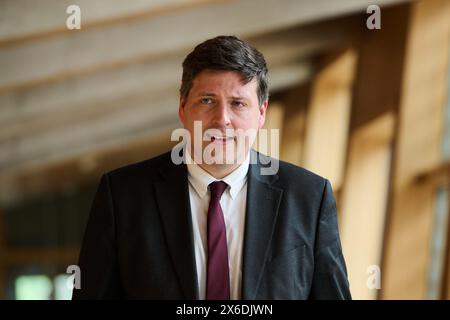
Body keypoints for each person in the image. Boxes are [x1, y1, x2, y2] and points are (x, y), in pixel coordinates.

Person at [72, 35, 351, 300]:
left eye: (238, 103)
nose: (222, 119)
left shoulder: (309, 196)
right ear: (183, 107)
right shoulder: (122, 196)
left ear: (261, 112)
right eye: (207, 101)